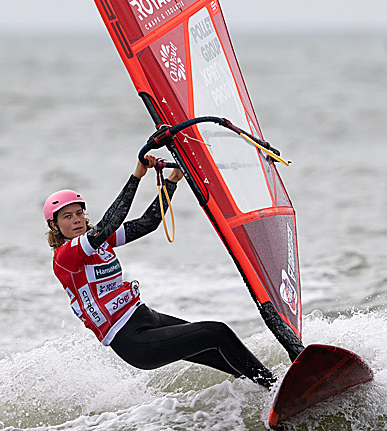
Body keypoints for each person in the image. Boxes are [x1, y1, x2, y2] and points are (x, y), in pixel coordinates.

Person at [44, 155, 275, 388]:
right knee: (217, 331)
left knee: (216, 350)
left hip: (146, 317)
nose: (77, 220)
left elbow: (148, 223)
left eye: (79, 213)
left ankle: (260, 391)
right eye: (67, 217)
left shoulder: (101, 242)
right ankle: (273, 385)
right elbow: (110, 223)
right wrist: (137, 176)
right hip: (132, 340)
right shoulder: (66, 256)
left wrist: (172, 181)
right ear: (54, 225)